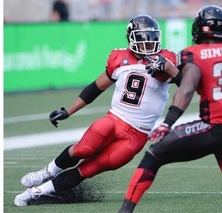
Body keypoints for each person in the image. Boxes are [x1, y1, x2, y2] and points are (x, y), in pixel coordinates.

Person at [118, 5, 222, 213]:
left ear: (199, 28)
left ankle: (124, 210)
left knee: (154, 154)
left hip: (217, 128)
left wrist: (167, 123)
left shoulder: (194, 54)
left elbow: (186, 89)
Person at [14, 14, 183, 207]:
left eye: (151, 37)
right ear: (131, 38)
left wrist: (171, 70)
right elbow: (95, 88)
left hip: (137, 135)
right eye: (142, 37)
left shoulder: (167, 59)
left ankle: (37, 192)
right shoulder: (120, 58)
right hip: (115, 120)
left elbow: (187, 84)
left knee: (90, 168)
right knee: (82, 149)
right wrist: (68, 111)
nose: (148, 42)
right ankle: (46, 172)